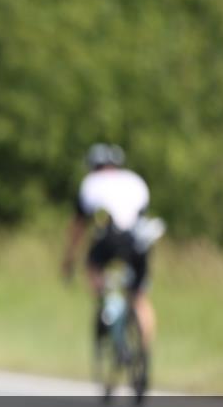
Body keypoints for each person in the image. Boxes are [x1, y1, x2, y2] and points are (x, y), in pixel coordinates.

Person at [61, 143, 156, 349]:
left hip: (111, 237)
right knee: (139, 297)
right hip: (140, 238)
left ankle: (106, 306)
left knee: (92, 266)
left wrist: (68, 260)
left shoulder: (91, 182)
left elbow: (78, 227)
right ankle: (144, 354)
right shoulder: (134, 180)